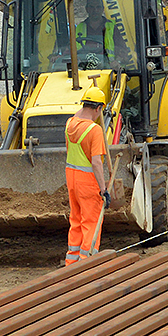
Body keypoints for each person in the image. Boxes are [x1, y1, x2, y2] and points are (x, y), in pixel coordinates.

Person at [64, 87, 111, 265]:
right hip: (88, 182)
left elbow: (80, 114)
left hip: (72, 179)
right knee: (91, 222)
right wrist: (103, 189)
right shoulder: (95, 130)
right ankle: (87, 262)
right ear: (99, 108)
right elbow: (97, 163)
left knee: (76, 220)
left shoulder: (70, 124)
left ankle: (72, 262)